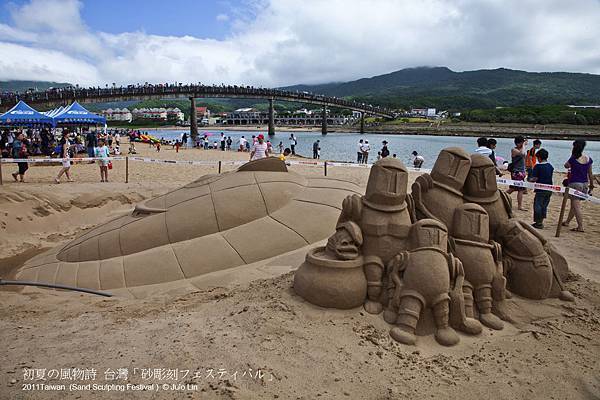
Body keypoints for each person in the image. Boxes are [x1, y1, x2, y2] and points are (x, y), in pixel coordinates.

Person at [562, 139, 594, 232]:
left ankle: (580, 226)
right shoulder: (588, 158)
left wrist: (572, 155)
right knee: (574, 204)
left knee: (576, 206)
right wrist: (591, 185)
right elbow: (590, 173)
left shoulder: (573, 159)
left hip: (575, 183)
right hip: (584, 183)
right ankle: (567, 221)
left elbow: (566, 166)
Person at [528, 149, 553, 229]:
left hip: (540, 189)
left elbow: (535, 178)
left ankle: (538, 222)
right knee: (544, 205)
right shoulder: (550, 166)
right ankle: (541, 221)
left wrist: (529, 180)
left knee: (537, 205)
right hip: (549, 188)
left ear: (539, 158)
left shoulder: (538, 166)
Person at [506, 136, 527, 211]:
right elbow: (522, 154)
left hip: (521, 171)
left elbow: (524, 155)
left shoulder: (522, 149)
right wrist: (524, 145)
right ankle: (520, 206)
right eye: (521, 142)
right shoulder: (514, 150)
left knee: (513, 188)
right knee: (520, 189)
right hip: (516, 172)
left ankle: (502, 196)